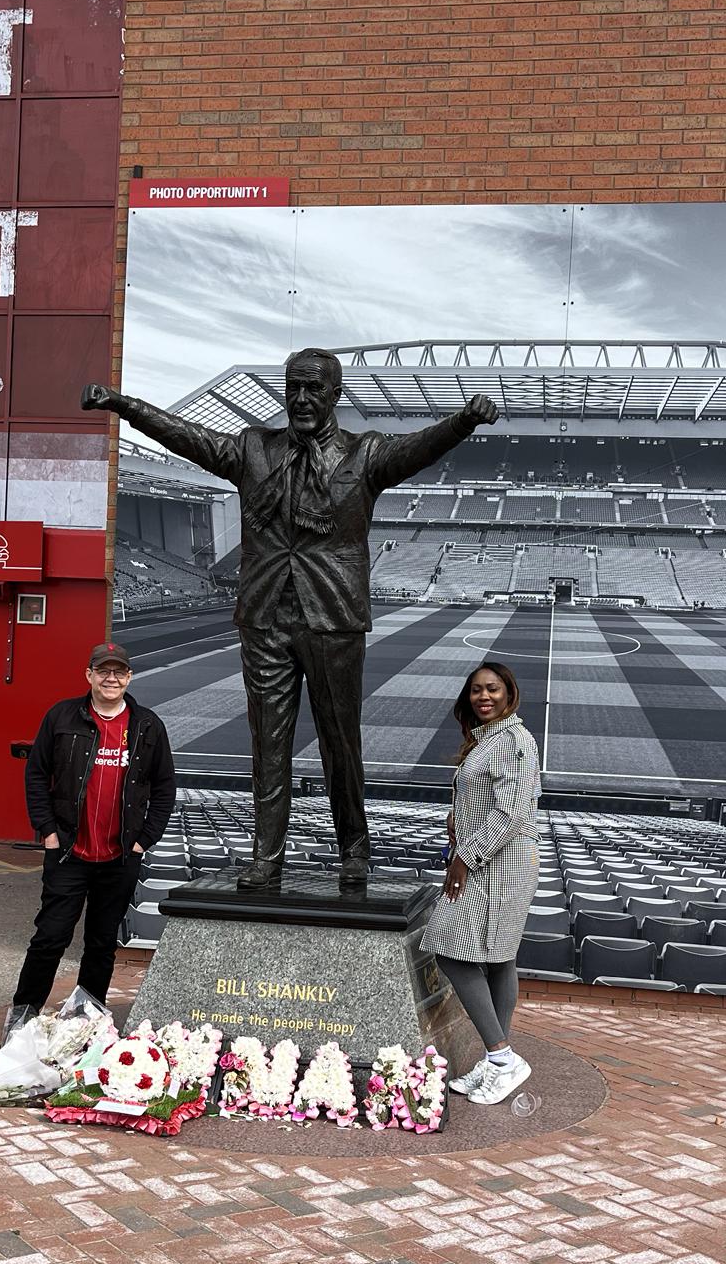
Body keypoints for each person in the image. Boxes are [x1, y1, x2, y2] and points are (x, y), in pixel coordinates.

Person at [82, 349, 498, 890]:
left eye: (313, 389)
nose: (301, 399)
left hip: (332, 615)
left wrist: (463, 420)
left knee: (340, 740)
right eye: (293, 388)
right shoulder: (255, 447)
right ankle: (267, 857)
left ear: (335, 394)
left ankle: (354, 849)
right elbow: (186, 436)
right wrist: (122, 404)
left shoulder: (364, 454)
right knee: (267, 743)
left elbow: (415, 450)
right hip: (264, 616)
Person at [2, 642, 177, 1042]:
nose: (111, 678)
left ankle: (87, 1023)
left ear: (129, 677)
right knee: (50, 938)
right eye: (103, 671)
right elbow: (36, 775)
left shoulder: (147, 726)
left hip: (119, 857)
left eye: (119, 672)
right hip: (68, 853)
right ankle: (23, 1016)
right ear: (89, 675)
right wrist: (47, 831)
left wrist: (143, 840)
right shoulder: (62, 717)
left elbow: (165, 786)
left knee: (101, 944)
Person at [421, 661, 540, 1105]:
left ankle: (503, 1057)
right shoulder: (488, 740)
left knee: (451, 951)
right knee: (499, 957)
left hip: (499, 863)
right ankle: (498, 1061)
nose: (482, 697)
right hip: (493, 859)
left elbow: (510, 814)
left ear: (509, 693)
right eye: (475, 690)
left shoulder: (513, 741)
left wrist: (464, 859)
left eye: (492, 689)